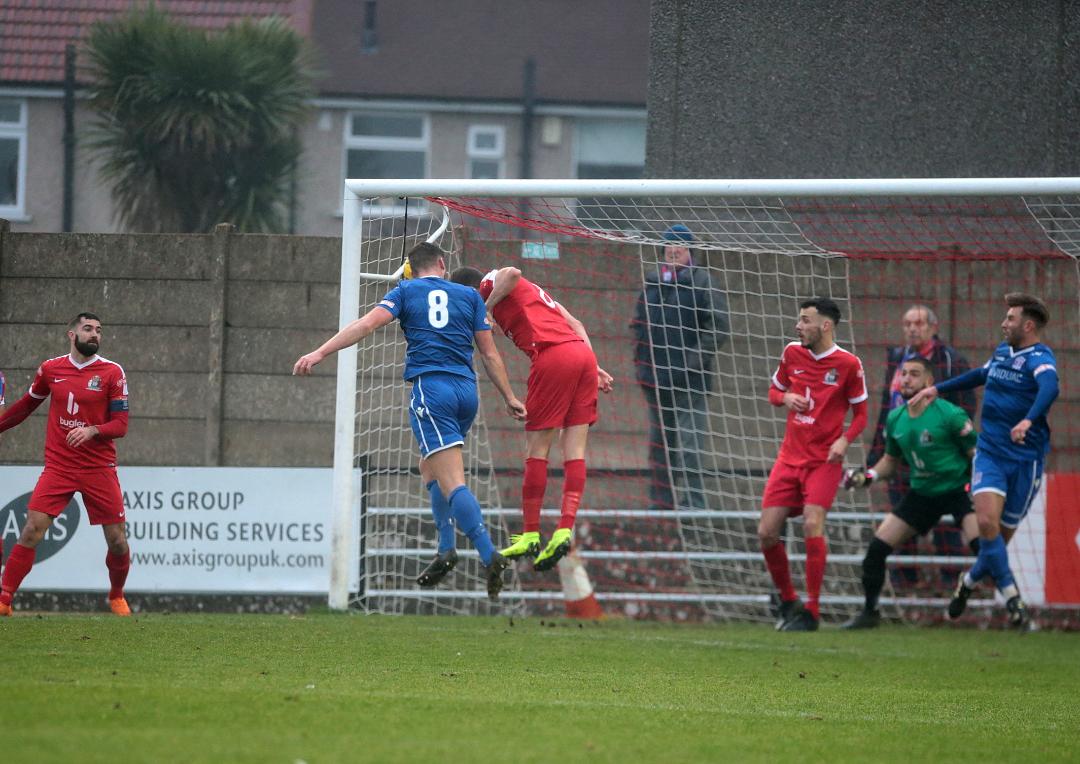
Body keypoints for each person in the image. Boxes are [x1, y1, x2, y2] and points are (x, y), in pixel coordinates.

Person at [293, 243, 527, 600]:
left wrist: (320, 351)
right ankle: (446, 548)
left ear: (411, 269)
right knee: (429, 467)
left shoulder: (405, 290)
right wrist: (510, 396)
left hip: (431, 391)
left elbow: (366, 325)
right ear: (442, 264)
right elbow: (490, 354)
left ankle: (487, 553)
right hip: (467, 393)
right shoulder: (469, 297)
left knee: (452, 480)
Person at [909, 293, 1058, 629]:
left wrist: (1029, 420)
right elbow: (981, 374)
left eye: (1010, 318)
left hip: (1025, 461)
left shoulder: (1040, 358)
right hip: (989, 453)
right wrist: (938, 389)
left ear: (1028, 325)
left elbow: (1050, 388)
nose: (1003, 323)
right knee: (987, 526)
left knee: (995, 546)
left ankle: (969, 582)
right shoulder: (1003, 352)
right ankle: (1013, 600)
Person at [450, 265, 613, 572]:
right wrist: (594, 366)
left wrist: (483, 309)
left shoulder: (487, 285)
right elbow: (576, 324)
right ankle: (565, 530)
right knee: (574, 450)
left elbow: (512, 271)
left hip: (553, 357)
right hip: (581, 355)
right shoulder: (536, 294)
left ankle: (530, 534)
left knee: (537, 450)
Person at [0, 313, 132, 617]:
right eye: (88, 329)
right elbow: (24, 407)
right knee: (32, 529)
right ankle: (5, 599)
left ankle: (116, 595)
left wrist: (92, 430)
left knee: (117, 541)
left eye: (99, 330)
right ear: (71, 334)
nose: (94, 334)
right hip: (60, 466)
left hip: (99, 467)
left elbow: (121, 425)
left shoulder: (112, 372)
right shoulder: (51, 369)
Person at [840, 356, 980, 629]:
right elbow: (891, 462)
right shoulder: (896, 419)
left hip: (957, 490)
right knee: (876, 551)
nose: (906, 379)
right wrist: (868, 476)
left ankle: (1013, 606)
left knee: (985, 550)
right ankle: (870, 613)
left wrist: (978, 490)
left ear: (928, 382)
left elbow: (977, 456)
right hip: (922, 493)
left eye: (914, 374)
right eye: (903, 373)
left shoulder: (950, 414)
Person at [760, 297, 868, 632]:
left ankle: (813, 610)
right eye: (799, 320)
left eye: (805, 320)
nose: (798, 326)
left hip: (823, 461)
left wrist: (844, 440)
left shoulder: (849, 364)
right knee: (766, 532)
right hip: (788, 458)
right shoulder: (791, 352)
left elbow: (861, 414)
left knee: (811, 523)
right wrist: (786, 398)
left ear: (825, 325)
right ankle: (789, 600)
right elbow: (774, 393)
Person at [865, 305, 976, 587]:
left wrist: (946, 440)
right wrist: (877, 455)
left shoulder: (950, 360)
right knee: (901, 522)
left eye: (918, 323)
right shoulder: (897, 358)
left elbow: (966, 405)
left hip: (944, 462)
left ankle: (953, 583)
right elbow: (887, 406)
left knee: (947, 528)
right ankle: (906, 586)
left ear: (933, 327)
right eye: (907, 323)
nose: (912, 328)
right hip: (902, 452)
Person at [630, 224, 730, 511]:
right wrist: (642, 365)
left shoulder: (703, 282)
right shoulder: (651, 284)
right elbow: (637, 326)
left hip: (690, 381)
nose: (673, 251)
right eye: (669, 247)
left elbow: (720, 327)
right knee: (660, 446)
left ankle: (694, 503)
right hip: (655, 381)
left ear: (690, 252)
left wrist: (692, 361)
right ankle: (661, 502)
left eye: (680, 247)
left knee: (689, 446)